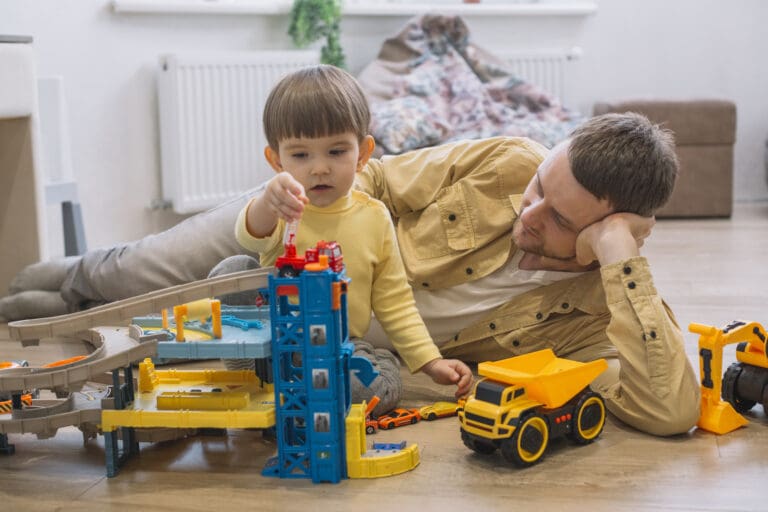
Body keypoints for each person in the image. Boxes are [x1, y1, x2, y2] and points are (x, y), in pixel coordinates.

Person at [0, 111, 700, 436]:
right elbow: (379, 178)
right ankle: (59, 280)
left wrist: (618, 263)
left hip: (354, 334)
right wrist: (306, 222)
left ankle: (49, 301)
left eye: (560, 219)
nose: (530, 213)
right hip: (309, 230)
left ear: (617, 233)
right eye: (541, 186)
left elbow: (670, 411)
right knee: (138, 270)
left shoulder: (601, 302)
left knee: (167, 320)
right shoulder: (508, 161)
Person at [223, 64, 472, 413]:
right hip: (274, 336)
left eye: (336, 152)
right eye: (300, 155)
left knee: (371, 388)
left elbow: (395, 302)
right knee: (232, 268)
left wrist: (431, 362)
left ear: (364, 154)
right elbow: (249, 236)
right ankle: (246, 367)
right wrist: (268, 200)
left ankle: (325, 382)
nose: (319, 167)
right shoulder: (283, 206)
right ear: (276, 160)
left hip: (340, 345)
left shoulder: (374, 218)